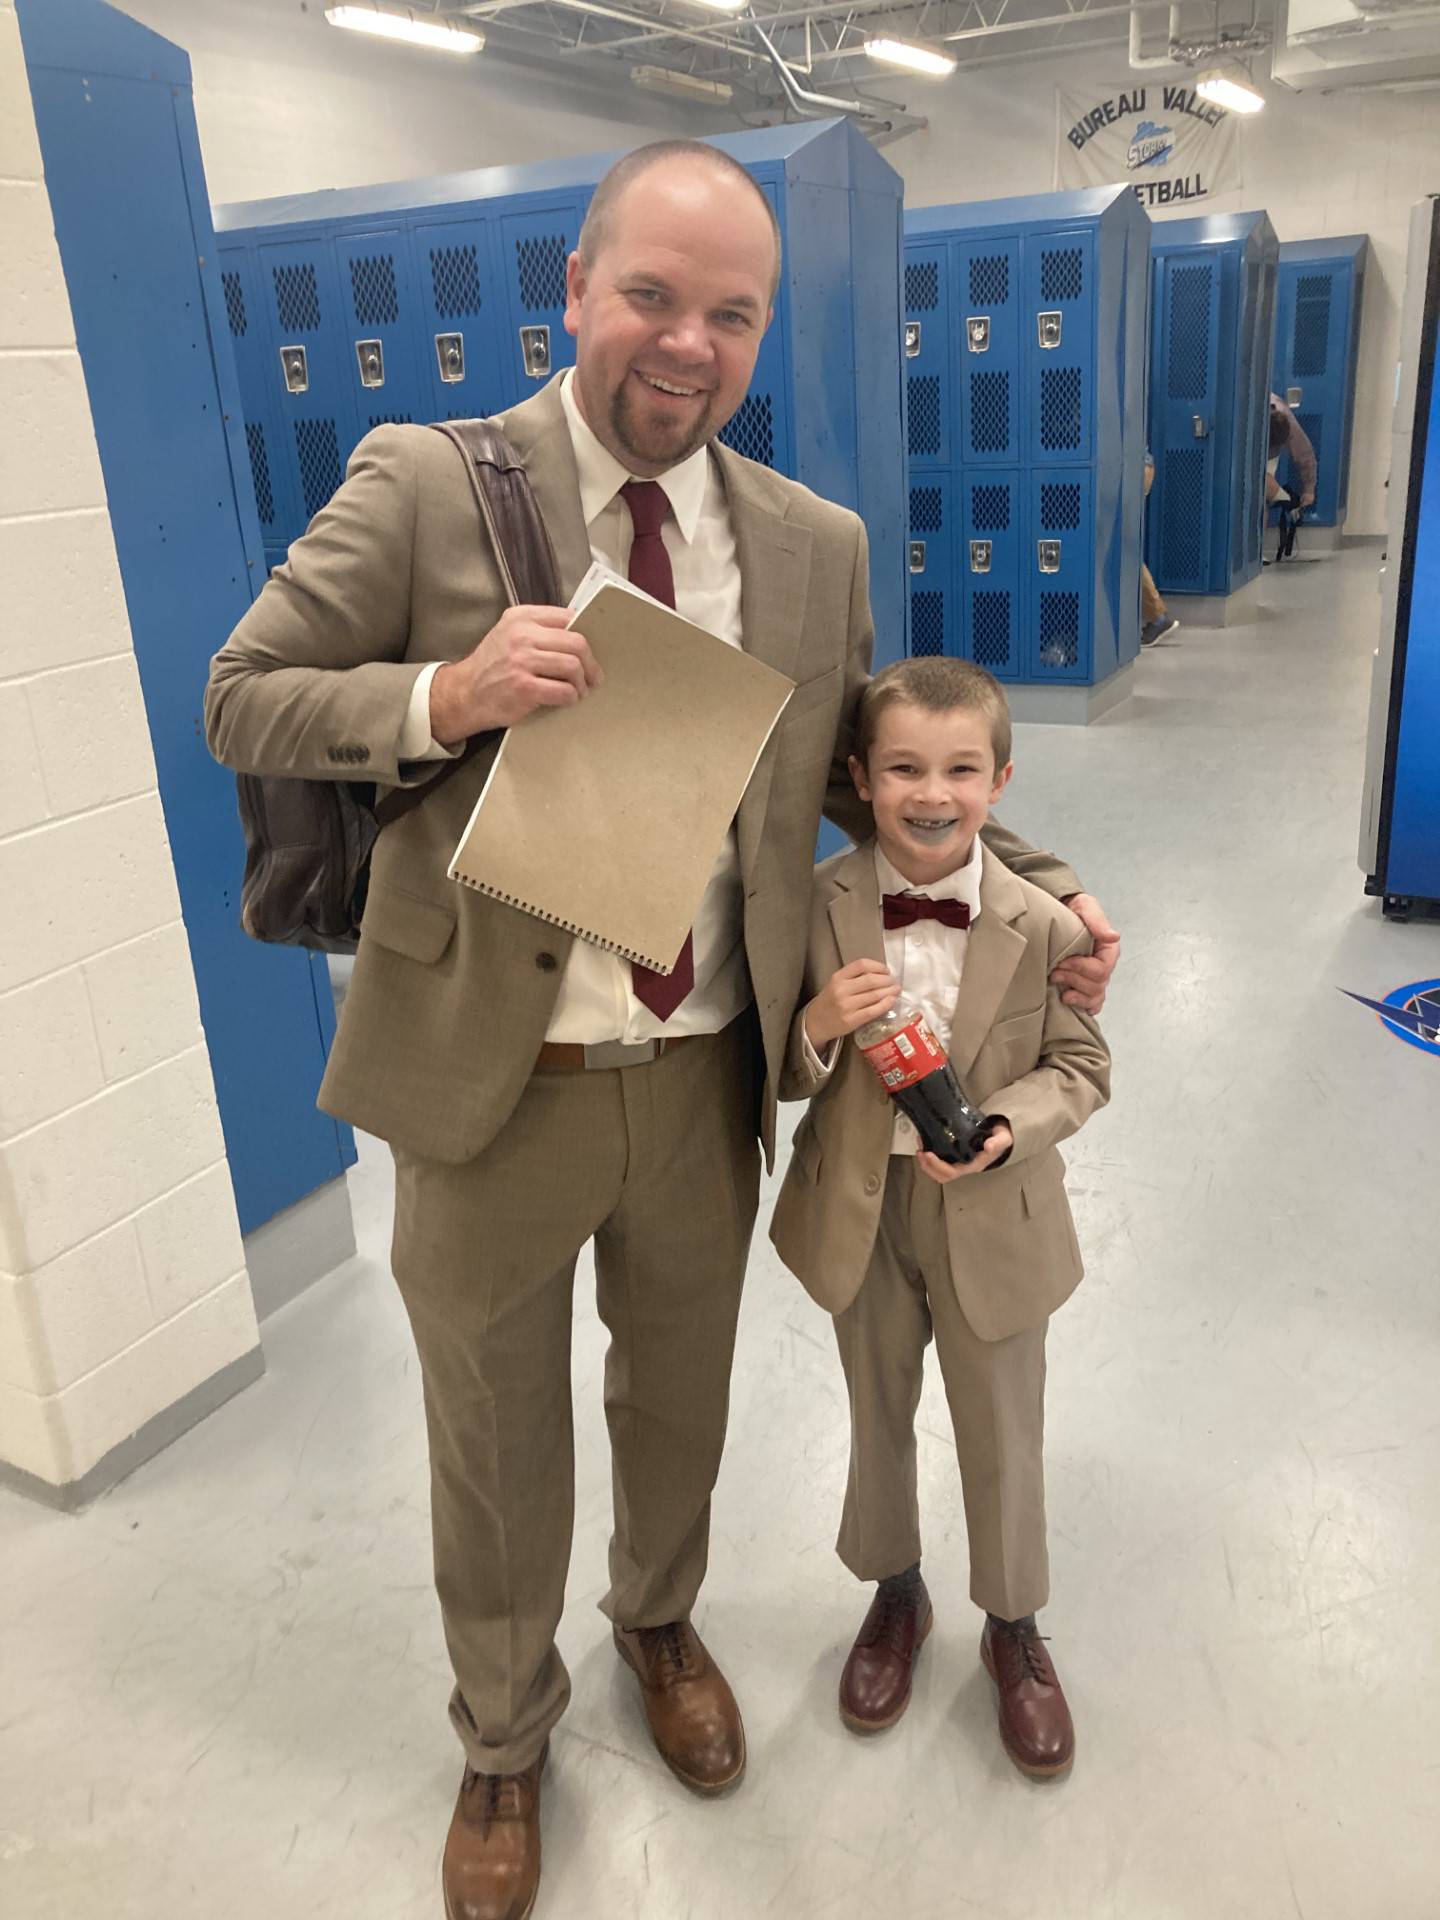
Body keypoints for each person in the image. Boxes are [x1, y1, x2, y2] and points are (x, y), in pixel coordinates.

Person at [205, 142, 1121, 1920]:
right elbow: (241, 692)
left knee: (677, 1400)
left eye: (731, 312)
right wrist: (442, 696)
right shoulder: (424, 484)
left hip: (706, 1070)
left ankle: (657, 1624)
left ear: (761, 331)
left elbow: (892, 792)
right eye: (651, 294)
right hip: (492, 1080)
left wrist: (1054, 890)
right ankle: (500, 1732)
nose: (686, 341)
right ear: (574, 288)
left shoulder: (808, 546)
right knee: (490, 1429)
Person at [770, 655, 1110, 1778]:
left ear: (1000, 782)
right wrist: (818, 1022)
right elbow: (775, 1069)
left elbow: (1083, 1065)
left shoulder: (1041, 922)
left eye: (961, 770)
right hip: (864, 1217)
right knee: (876, 1411)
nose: (932, 794)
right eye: (905, 767)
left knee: (1004, 1431)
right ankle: (894, 1591)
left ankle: (1014, 1623)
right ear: (860, 778)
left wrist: (1011, 1125)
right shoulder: (817, 905)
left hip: (995, 1217)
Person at [1140, 447, 1180, 646]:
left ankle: (1157, 618)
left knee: (1118, 553)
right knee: (1120, 552)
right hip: (1136, 464)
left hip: (1126, 465)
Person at [1266, 392, 1317, 513]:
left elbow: (1304, 453)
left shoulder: (1287, 421)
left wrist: (1309, 490)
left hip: (1270, 455)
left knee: (1262, 504)